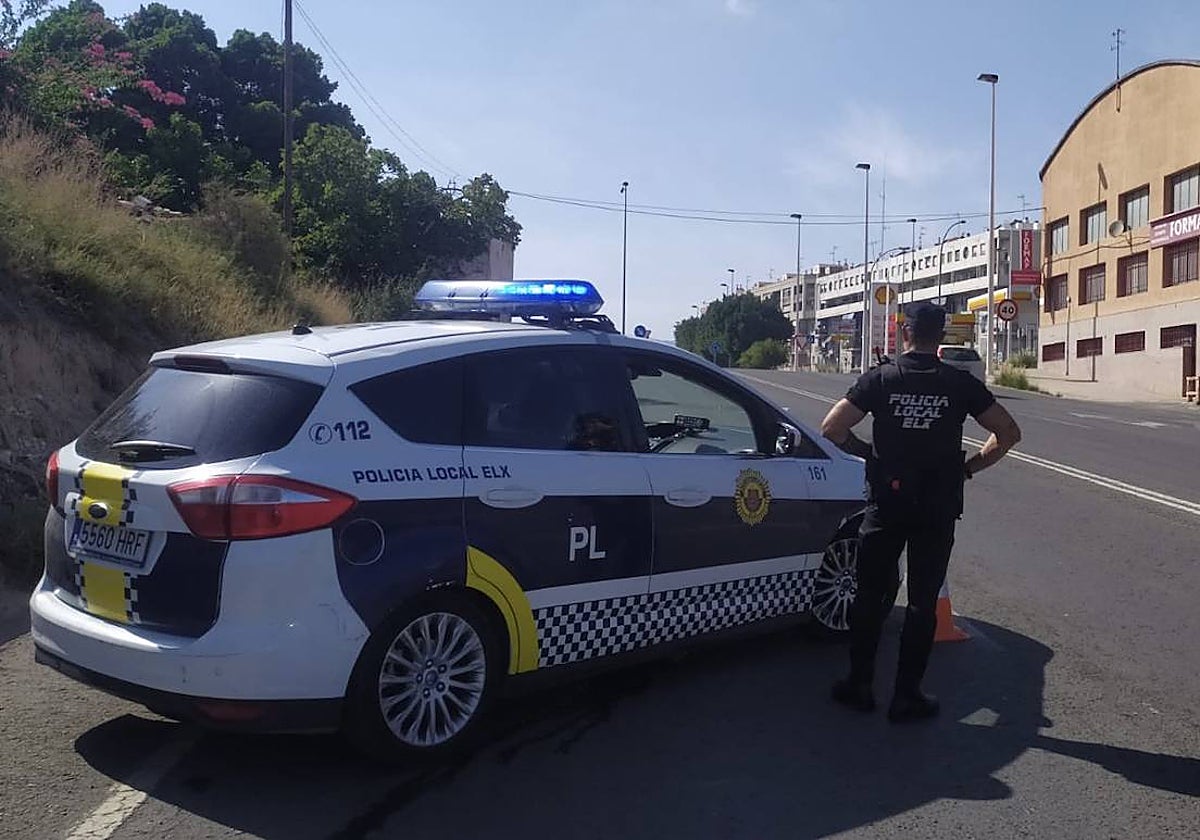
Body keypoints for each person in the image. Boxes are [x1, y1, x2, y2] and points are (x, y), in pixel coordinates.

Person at [819, 301, 1022, 723]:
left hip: (886, 504)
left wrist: (868, 456)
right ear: (941, 336)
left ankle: (859, 684)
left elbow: (832, 429)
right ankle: (906, 695)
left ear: (904, 333)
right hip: (937, 505)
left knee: (871, 596)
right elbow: (1008, 432)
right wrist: (969, 468)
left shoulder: (880, 379)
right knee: (923, 602)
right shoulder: (958, 383)